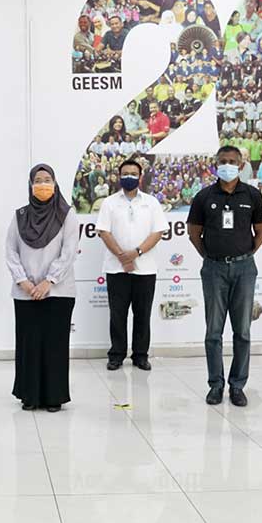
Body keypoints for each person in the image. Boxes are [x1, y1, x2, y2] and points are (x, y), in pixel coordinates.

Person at [187, 147, 262, 407]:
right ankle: (215, 385)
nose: (227, 165)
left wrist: (244, 255)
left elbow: (261, 232)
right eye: (223, 161)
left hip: (245, 269)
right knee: (213, 331)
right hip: (214, 270)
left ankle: (237, 385)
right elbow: (194, 234)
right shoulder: (204, 196)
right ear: (216, 164)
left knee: (242, 331)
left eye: (232, 161)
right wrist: (211, 257)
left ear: (241, 165)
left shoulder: (253, 195)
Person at [5, 164, 79, 412]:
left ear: (55, 183)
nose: (43, 184)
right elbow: (10, 250)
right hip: (25, 292)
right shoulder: (20, 216)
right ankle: (30, 395)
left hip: (58, 291)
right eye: (38, 180)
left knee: (54, 344)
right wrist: (24, 282)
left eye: (47, 179)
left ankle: (54, 396)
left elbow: (69, 252)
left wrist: (49, 281)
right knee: (29, 344)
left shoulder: (67, 215)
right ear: (30, 185)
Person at [96, 159, 167, 371]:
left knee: (142, 314)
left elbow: (158, 232)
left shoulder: (151, 202)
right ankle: (116, 355)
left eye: (133, 173)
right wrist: (122, 257)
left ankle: (140, 355)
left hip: (145, 269)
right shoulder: (109, 203)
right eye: (125, 173)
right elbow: (103, 231)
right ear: (119, 176)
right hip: (116, 268)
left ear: (140, 177)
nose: (129, 176)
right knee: (117, 314)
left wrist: (136, 253)